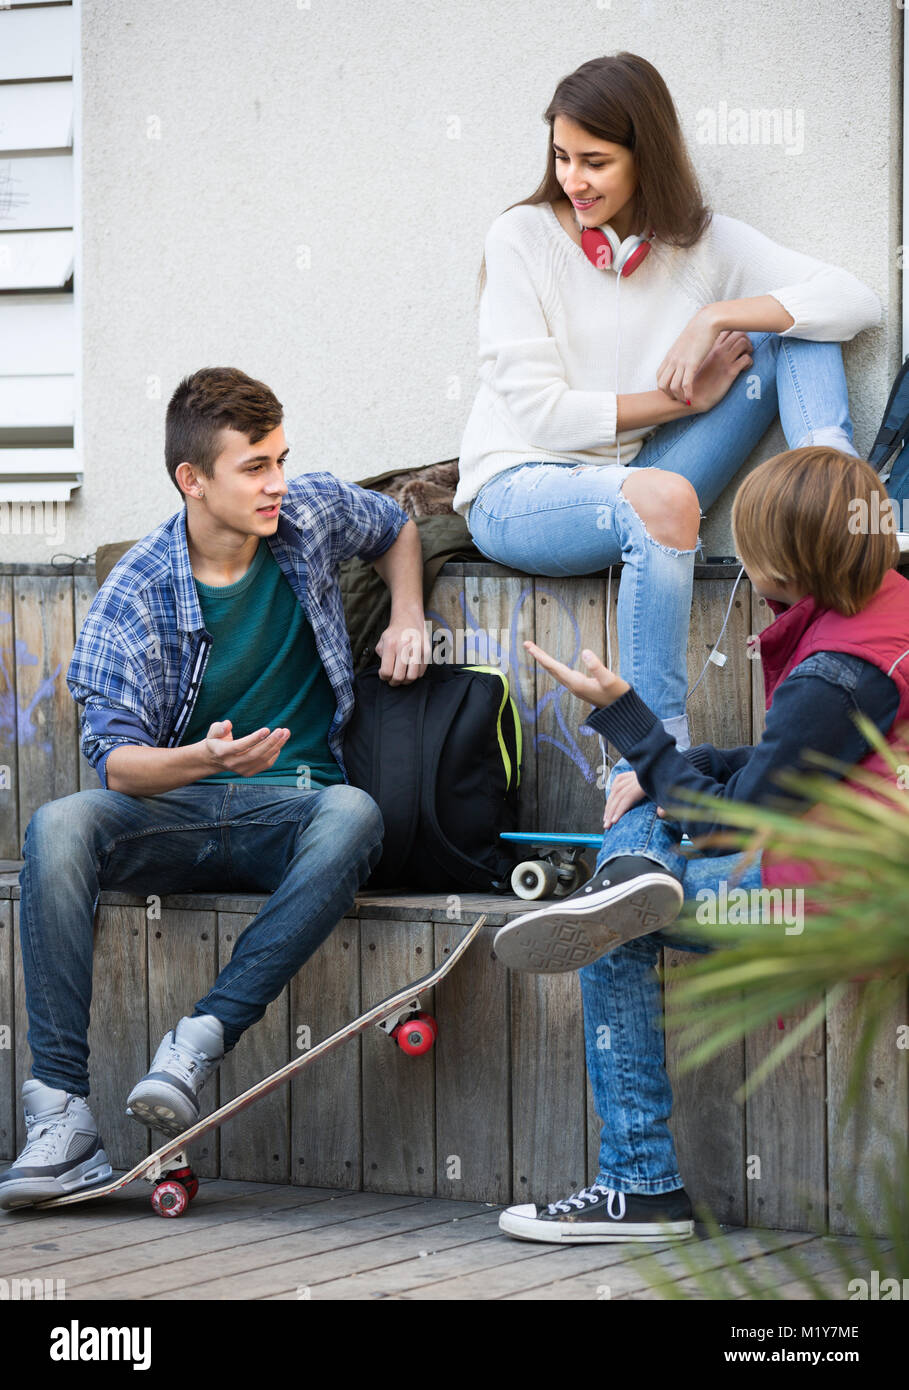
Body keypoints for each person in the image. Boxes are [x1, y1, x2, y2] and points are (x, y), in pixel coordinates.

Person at [0, 367, 427, 1211]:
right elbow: (118, 765)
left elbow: (397, 526)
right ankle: (61, 1118)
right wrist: (204, 760)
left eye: (279, 459)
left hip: (295, 812)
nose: (275, 483)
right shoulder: (137, 594)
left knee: (353, 812)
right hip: (181, 808)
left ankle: (196, 1041)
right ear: (192, 480)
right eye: (253, 467)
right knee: (57, 828)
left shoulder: (304, 514)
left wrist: (407, 614)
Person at [491, 447, 908, 1243]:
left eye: (749, 543)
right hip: (859, 862)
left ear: (791, 556)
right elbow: (797, 767)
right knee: (635, 856)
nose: (741, 558)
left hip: (830, 902)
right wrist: (685, 763)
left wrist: (628, 722)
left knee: (612, 929)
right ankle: (632, 870)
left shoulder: (832, 671)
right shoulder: (886, 612)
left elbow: (735, 823)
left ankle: (638, 1184)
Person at [454, 52, 881, 750]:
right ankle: (654, 754)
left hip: (644, 470)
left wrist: (715, 317)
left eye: (593, 161)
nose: (572, 179)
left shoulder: (701, 242)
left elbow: (851, 301)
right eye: (562, 157)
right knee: (660, 497)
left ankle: (832, 508)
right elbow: (541, 415)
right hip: (522, 489)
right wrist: (674, 400)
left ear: (644, 157)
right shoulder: (520, 238)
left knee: (795, 322)